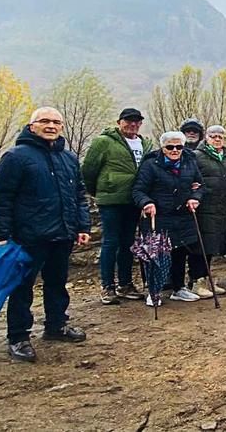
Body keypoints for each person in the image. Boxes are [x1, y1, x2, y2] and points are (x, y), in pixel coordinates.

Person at [0, 107, 90, 363]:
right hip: (28, 235)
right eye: (44, 121)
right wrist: (3, 233)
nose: (51, 126)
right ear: (31, 125)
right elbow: (2, 198)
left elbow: (79, 195)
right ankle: (18, 336)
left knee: (57, 283)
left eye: (56, 122)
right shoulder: (16, 157)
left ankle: (56, 325)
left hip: (62, 233)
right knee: (21, 287)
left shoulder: (69, 158)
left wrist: (82, 226)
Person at [82, 107, 152, 306]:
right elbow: (88, 170)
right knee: (110, 243)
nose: (133, 124)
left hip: (134, 201)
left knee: (128, 244)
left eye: (137, 121)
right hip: (112, 201)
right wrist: (101, 190)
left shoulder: (145, 144)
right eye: (128, 120)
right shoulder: (104, 142)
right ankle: (107, 286)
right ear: (119, 122)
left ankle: (125, 284)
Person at [132, 131, 205, 304]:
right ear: (163, 148)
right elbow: (138, 190)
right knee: (155, 254)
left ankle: (178, 288)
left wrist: (195, 197)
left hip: (182, 215)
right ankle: (154, 290)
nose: (175, 150)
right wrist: (146, 202)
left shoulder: (189, 162)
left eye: (179, 146)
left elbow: (200, 185)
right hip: (158, 216)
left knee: (180, 252)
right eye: (170, 147)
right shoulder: (151, 164)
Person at [192, 125, 226, 298]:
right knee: (200, 246)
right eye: (213, 136)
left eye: (220, 137)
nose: (217, 139)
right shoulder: (197, 157)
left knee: (213, 245)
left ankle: (207, 279)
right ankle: (196, 281)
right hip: (202, 207)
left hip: (220, 208)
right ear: (206, 138)